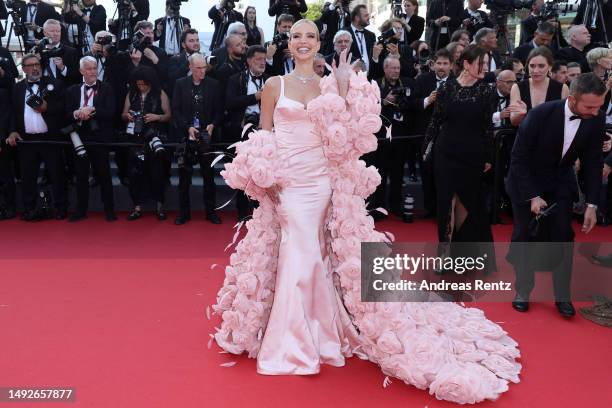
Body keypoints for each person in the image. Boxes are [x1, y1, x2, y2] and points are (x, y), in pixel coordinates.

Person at [213, 20, 521, 405]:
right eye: (297, 36)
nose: (303, 42)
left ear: (318, 42)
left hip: (322, 182)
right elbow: (265, 135)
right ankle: (297, 340)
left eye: (310, 36)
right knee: (301, 249)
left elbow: (344, 136)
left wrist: (342, 86)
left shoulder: (330, 84)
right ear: (287, 44)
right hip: (288, 184)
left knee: (317, 252)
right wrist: (267, 175)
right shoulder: (273, 86)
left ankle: (319, 334)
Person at [505, 73, 607, 317]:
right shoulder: (540, 114)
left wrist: (592, 204)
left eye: (599, 106)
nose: (595, 111)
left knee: (562, 237)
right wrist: (532, 196)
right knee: (524, 235)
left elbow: (594, 162)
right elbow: (518, 159)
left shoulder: (596, 118)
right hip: (526, 180)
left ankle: (562, 296)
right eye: (590, 106)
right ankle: (523, 291)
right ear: (572, 100)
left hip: (560, 183)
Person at [424, 44, 496, 254]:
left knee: (466, 203)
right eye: (480, 63)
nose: (485, 67)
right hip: (445, 152)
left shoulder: (486, 90)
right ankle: (444, 252)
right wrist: (426, 148)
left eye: (487, 63)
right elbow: (435, 121)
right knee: (446, 202)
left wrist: (488, 157)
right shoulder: (446, 88)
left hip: (472, 154)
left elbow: (488, 127)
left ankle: (462, 252)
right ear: (466, 63)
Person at [6, 53, 68, 221]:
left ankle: (61, 208)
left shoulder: (55, 84)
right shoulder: (17, 88)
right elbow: (13, 112)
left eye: (37, 64)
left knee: (57, 175)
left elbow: (64, 109)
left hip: (49, 139)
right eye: (30, 65)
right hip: (26, 141)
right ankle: (29, 208)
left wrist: (47, 108)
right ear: (24, 69)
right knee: (28, 176)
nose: (35, 68)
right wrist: (12, 131)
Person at [65, 56, 116, 222]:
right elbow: (65, 113)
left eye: (94, 68)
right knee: (80, 176)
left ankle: (109, 210)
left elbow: (111, 112)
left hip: (99, 138)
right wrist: (76, 113)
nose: (93, 72)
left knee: (104, 175)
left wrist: (92, 110)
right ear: (81, 71)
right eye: (89, 69)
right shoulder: (72, 90)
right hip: (78, 138)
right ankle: (81, 210)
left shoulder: (107, 88)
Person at [172, 54, 222, 225]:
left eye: (204, 67)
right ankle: (183, 213)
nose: (203, 71)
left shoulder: (214, 84)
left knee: (209, 177)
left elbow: (219, 110)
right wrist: (187, 127)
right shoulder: (180, 84)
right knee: (184, 177)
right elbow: (176, 110)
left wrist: (212, 125)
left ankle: (211, 212)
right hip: (186, 137)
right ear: (191, 68)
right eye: (199, 68)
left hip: (206, 136)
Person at [121, 66, 171, 221]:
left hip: (155, 137)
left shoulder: (160, 94)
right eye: (139, 84)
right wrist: (128, 117)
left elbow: (168, 115)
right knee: (134, 174)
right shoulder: (132, 94)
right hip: (135, 139)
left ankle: (159, 205)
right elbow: (123, 114)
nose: (141, 86)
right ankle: (137, 206)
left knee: (157, 173)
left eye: (144, 84)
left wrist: (157, 117)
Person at [510, 46, 569, 126]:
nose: (536, 70)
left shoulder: (562, 88)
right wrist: (521, 114)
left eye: (541, 66)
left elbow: (565, 120)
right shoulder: (517, 87)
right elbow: (514, 121)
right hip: (525, 136)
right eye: (532, 66)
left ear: (550, 67)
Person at [167, 28, 201, 94]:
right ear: (183, 45)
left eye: (197, 40)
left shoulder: (204, 59)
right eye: (191, 41)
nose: (196, 43)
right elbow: (173, 80)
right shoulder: (174, 59)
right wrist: (188, 62)